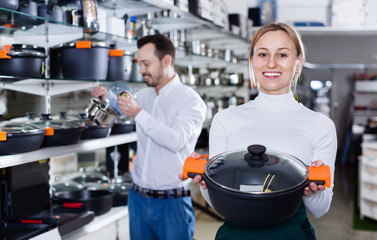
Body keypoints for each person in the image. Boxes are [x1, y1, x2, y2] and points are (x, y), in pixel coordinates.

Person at [179, 22, 337, 239]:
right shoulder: (226, 119)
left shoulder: (320, 125)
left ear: (298, 63)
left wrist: (312, 190)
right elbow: (216, 202)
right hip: (235, 234)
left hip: (289, 234)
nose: (271, 63)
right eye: (263, 54)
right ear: (252, 61)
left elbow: (320, 209)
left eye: (282, 55)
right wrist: (206, 180)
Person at [92, 34, 207, 240]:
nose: (141, 70)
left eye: (146, 64)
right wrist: (105, 99)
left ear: (166, 61)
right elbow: (116, 109)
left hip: (172, 203)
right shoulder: (143, 96)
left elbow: (176, 141)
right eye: (139, 64)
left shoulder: (190, 100)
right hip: (137, 199)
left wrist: (139, 113)